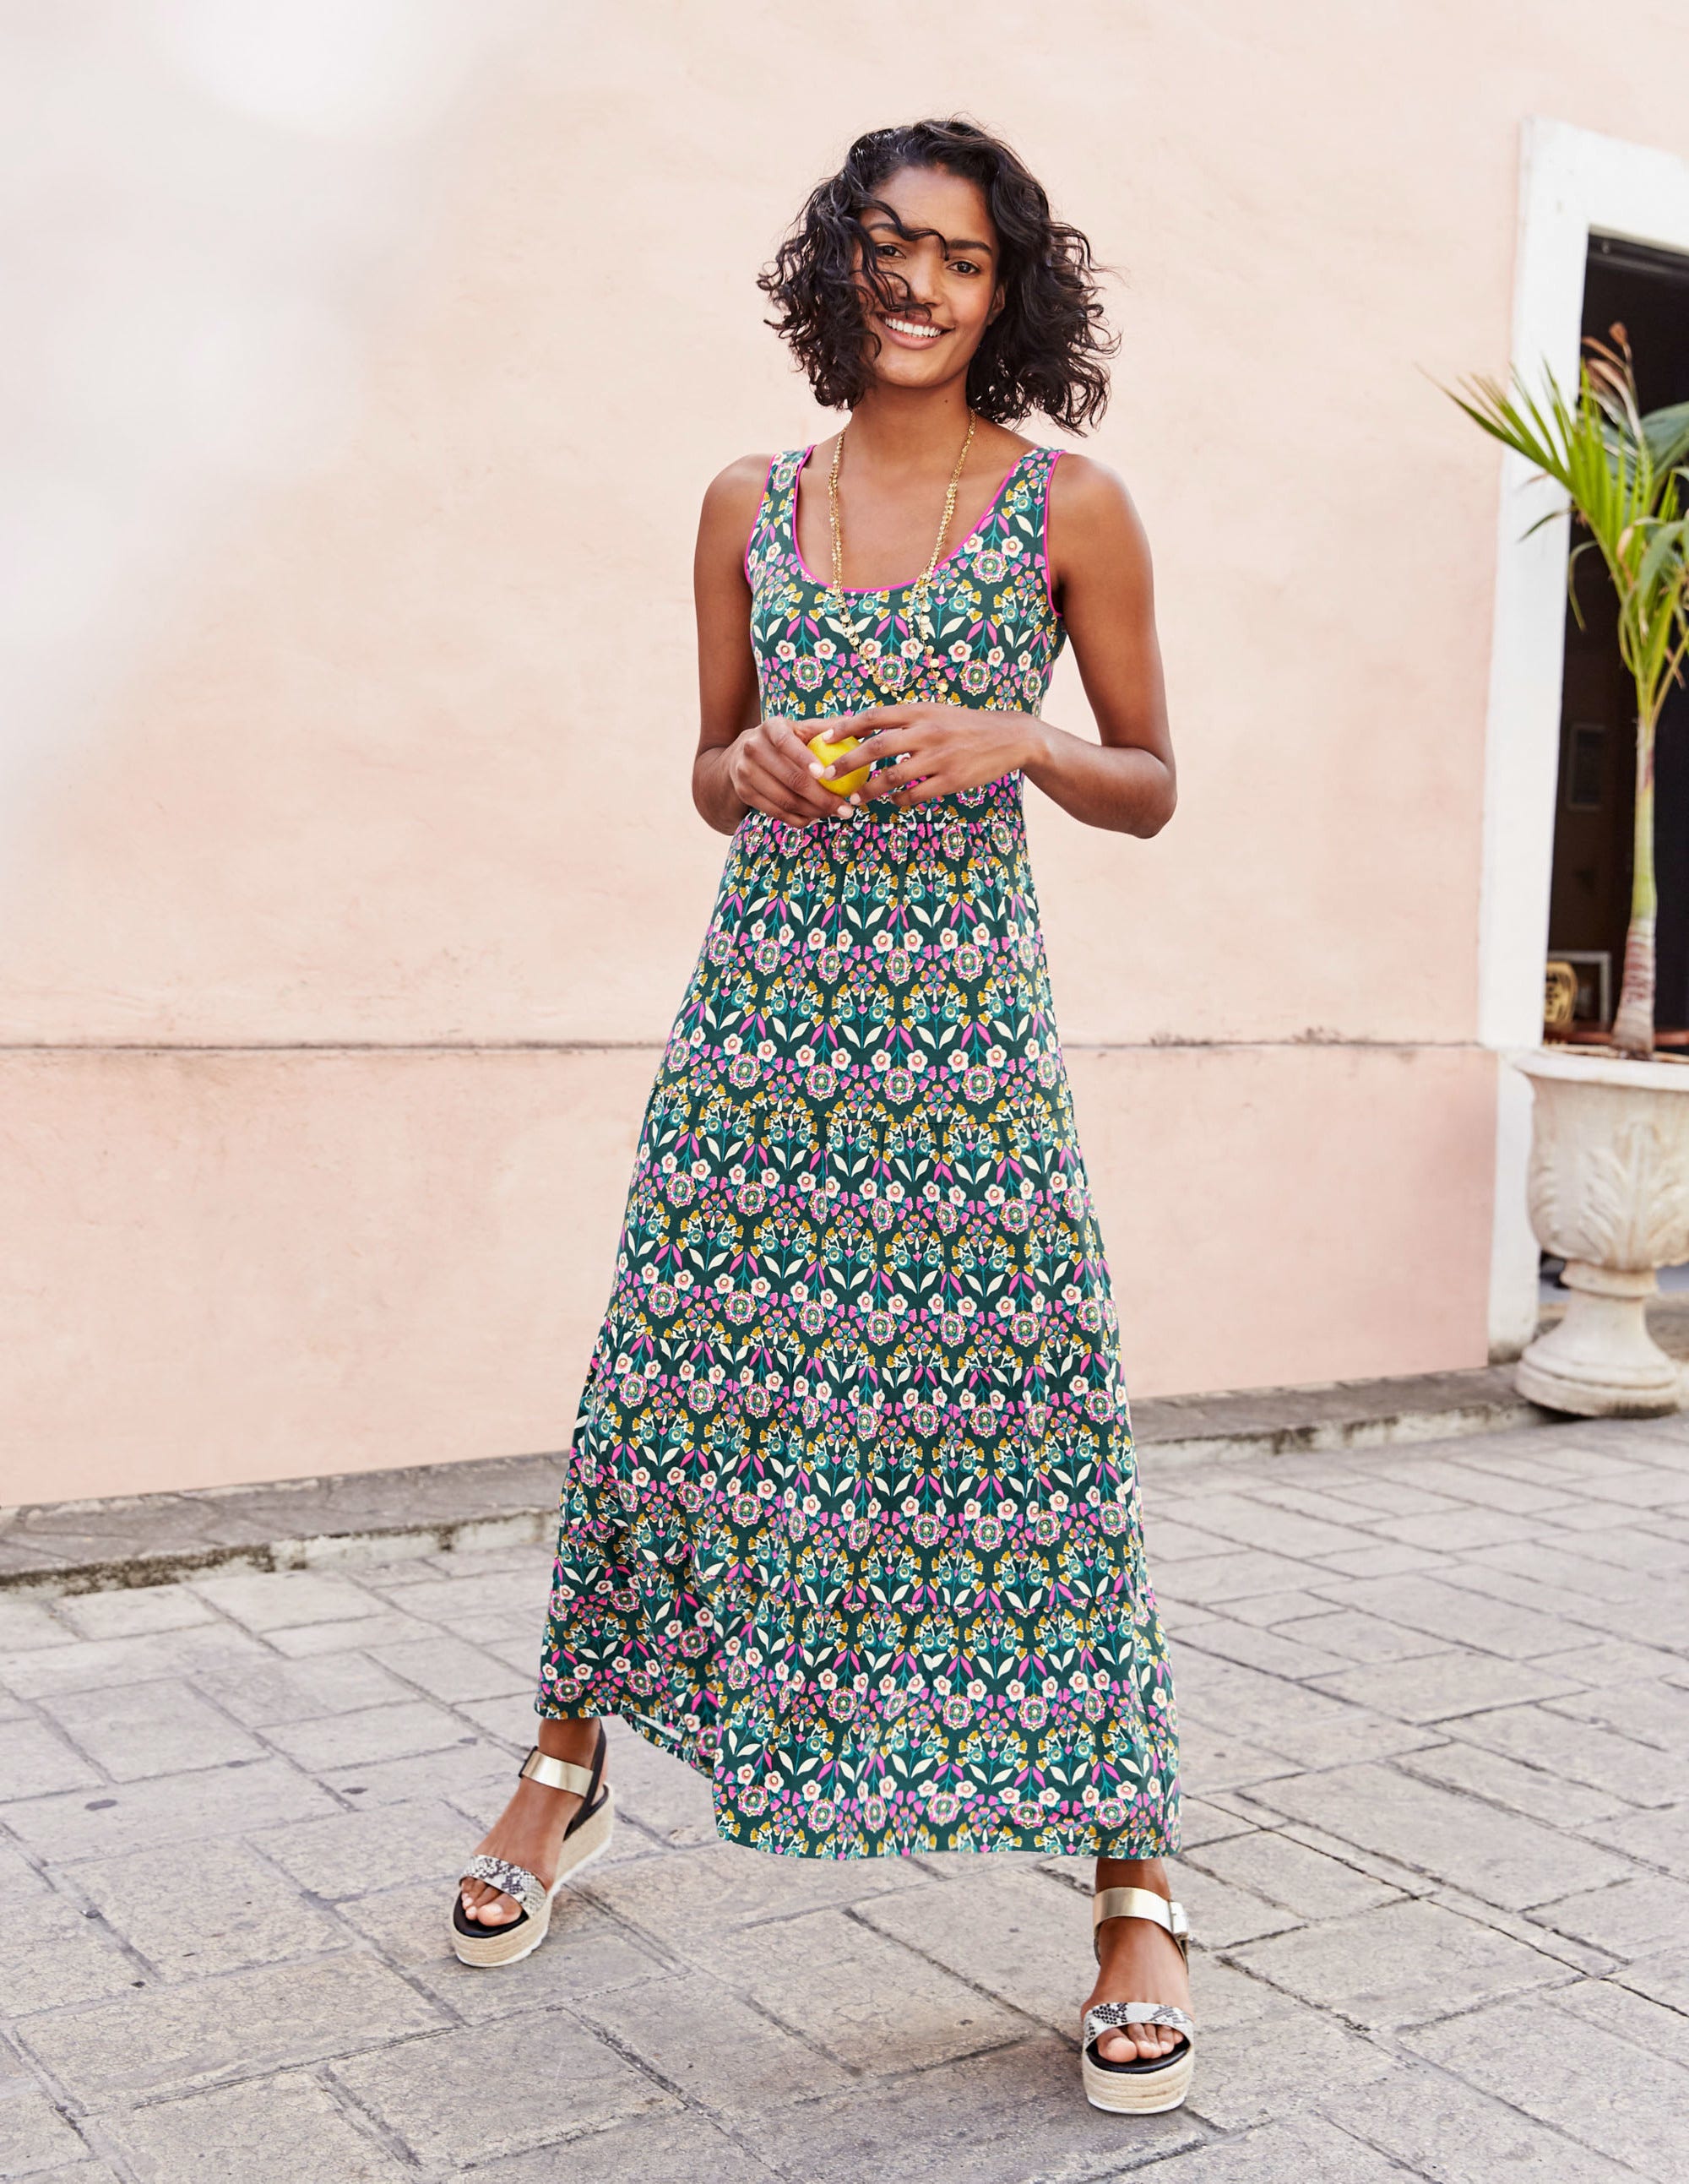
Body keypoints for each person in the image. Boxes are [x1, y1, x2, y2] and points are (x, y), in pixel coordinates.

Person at [452, 117, 1192, 2116]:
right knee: (676, 1387)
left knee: (1023, 1420)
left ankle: (1131, 1885)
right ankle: (562, 1769)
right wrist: (748, 762)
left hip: (959, 1055)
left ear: (1005, 289)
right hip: (762, 1037)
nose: (918, 288)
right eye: (883, 250)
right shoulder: (744, 500)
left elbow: (1150, 778)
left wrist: (1023, 738)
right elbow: (702, 765)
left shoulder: (1068, 509)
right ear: (834, 269)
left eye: (957, 260)